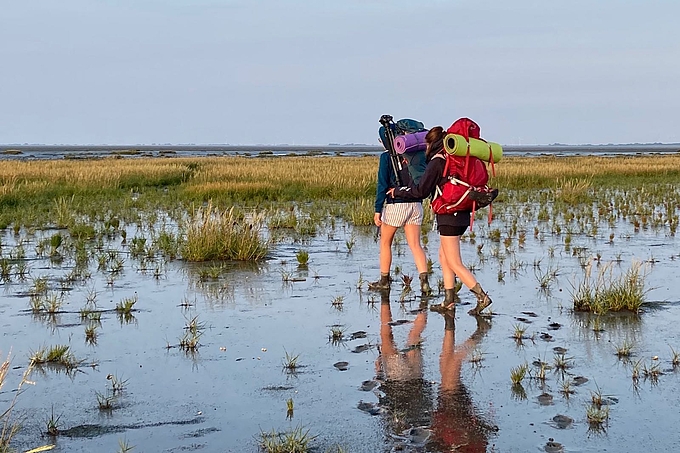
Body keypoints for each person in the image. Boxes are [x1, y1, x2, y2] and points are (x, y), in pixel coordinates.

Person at [388, 126, 493, 315]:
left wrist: (398, 191)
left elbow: (421, 190)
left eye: (427, 144)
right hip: (462, 212)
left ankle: (482, 297)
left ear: (430, 143)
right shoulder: (453, 159)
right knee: (443, 257)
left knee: (454, 261)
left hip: (448, 215)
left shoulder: (438, 161)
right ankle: (449, 300)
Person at [370, 143, 432, 295]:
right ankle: (425, 283)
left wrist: (378, 209)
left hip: (396, 204)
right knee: (416, 245)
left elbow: (382, 184)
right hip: (416, 205)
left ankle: (384, 281)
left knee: (385, 243)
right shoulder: (418, 154)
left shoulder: (387, 157)